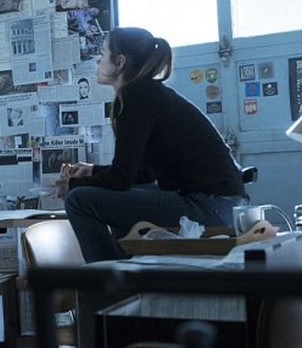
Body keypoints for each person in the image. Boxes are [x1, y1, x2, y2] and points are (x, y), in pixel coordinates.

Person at [57, 27, 247, 263]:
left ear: (120, 62)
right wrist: (91, 171)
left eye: (103, 53)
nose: (98, 60)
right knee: (112, 197)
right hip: (221, 204)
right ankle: (127, 271)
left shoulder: (135, 96)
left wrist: (73, 185)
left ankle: (104, 279)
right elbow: (143, 174)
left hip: (209, 207)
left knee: (78, 200)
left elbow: (121, 179)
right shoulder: (146, 92)